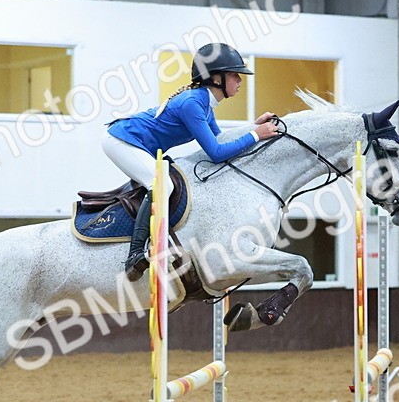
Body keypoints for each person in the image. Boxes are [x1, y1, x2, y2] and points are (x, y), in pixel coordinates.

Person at [105, 42, 280, 280]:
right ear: (216, 78)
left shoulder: (204, 105)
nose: (240, 81)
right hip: (121, 141)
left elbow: (219, 139)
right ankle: (135, 254)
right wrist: (255, 135)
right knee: (162, 185)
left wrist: (253, 126)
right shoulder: (193, 104)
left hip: (138, 144)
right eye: (234, 75)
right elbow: (216, 153)